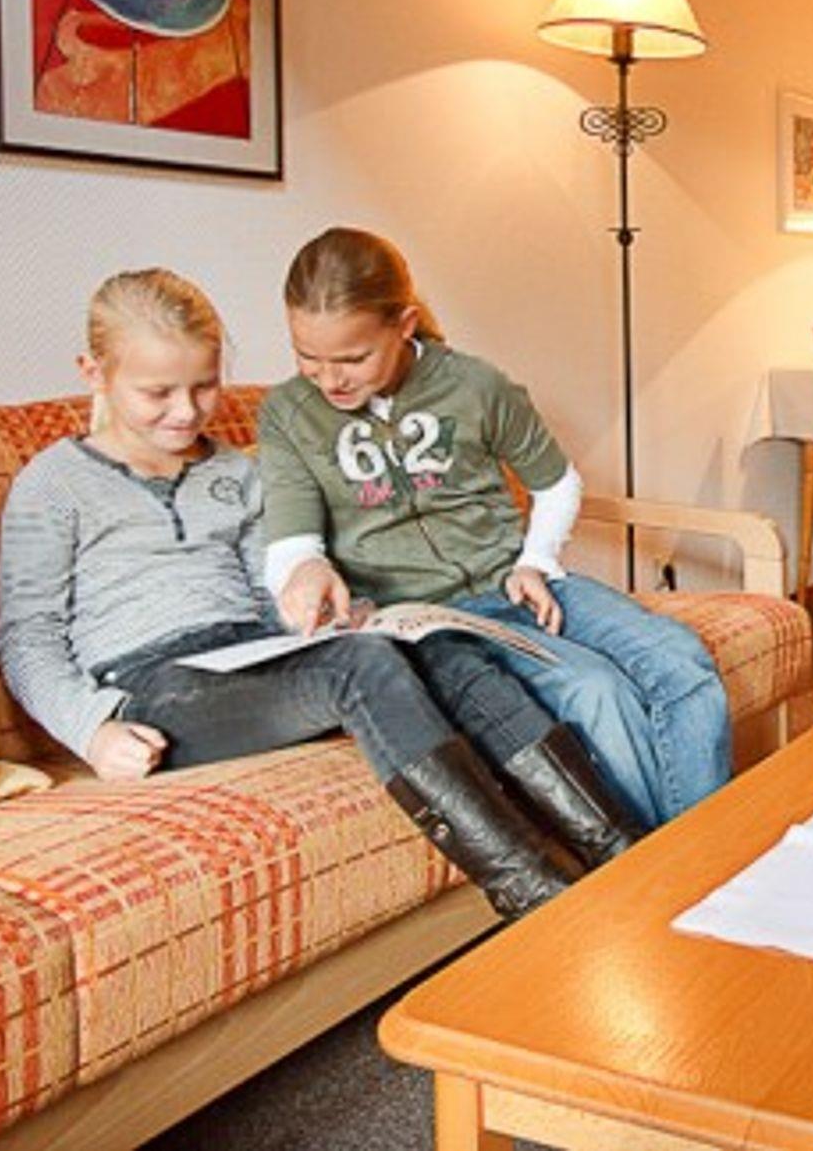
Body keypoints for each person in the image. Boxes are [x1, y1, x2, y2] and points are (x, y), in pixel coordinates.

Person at [0, 269, 637, 920]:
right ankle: (535, 894)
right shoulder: (53, 485)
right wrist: (92, 731)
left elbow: (268, 591)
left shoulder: (235, 470)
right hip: (151, 686)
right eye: (158, 393)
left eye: (204, 386)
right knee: (359, 668)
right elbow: (25, 637)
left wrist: (334, 614)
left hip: (249, 657)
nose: (186, 411)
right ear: (94, 373)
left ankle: (621, 852)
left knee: (440, 648)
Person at [259, 227, 730, 827]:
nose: (330, 380)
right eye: (308, 357)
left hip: (513, 582)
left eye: (352, 359)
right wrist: (305, 571)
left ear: (404, 325)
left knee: (680, 661)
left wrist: (535, 560)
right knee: (595, 689)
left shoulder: (476, 385)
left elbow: (556, 483)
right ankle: (661, 867)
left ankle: (705, 850)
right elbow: (293, 542)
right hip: (424, 621)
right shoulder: (289, 414)